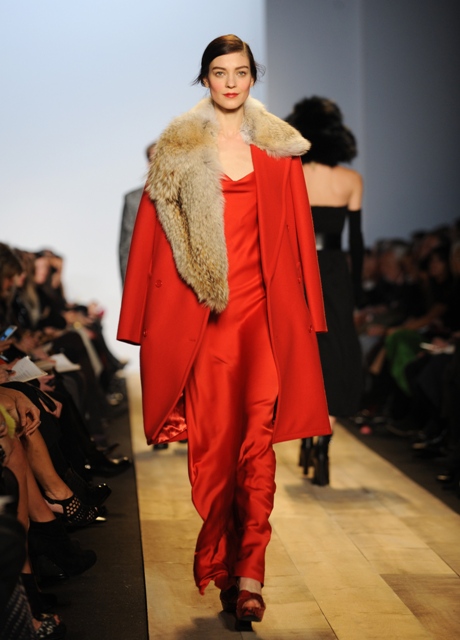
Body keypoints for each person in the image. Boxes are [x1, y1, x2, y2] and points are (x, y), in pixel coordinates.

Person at [117, 35, 330, 625]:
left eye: (240, 72)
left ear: (253, 77)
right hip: (204, 322)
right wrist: (137, 322)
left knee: (256, 447)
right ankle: (225, 560)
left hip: (264, 320)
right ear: (205, 79)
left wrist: (310, 315)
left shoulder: (281, 151)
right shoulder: (178, 150)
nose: (230, 83)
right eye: (219, 72)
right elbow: (150, 239)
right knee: (213, 454)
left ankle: (250, 575)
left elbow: (298, 236)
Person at [286, 96, 364, 485]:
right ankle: (323, 441)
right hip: (334, 273)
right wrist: (357, 291)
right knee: (335, 353)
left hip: (296, 267)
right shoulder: (350, 180)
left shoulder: (290, 174)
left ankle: (305, 430)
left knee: (301, 350)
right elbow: (357, 243)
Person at [118, 142, 156, 285]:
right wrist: (128, 286)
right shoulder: (133, 199)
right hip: (145, 279)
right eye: (153, 159)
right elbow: (126, 248)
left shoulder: (186, 196)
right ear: (148, 163)